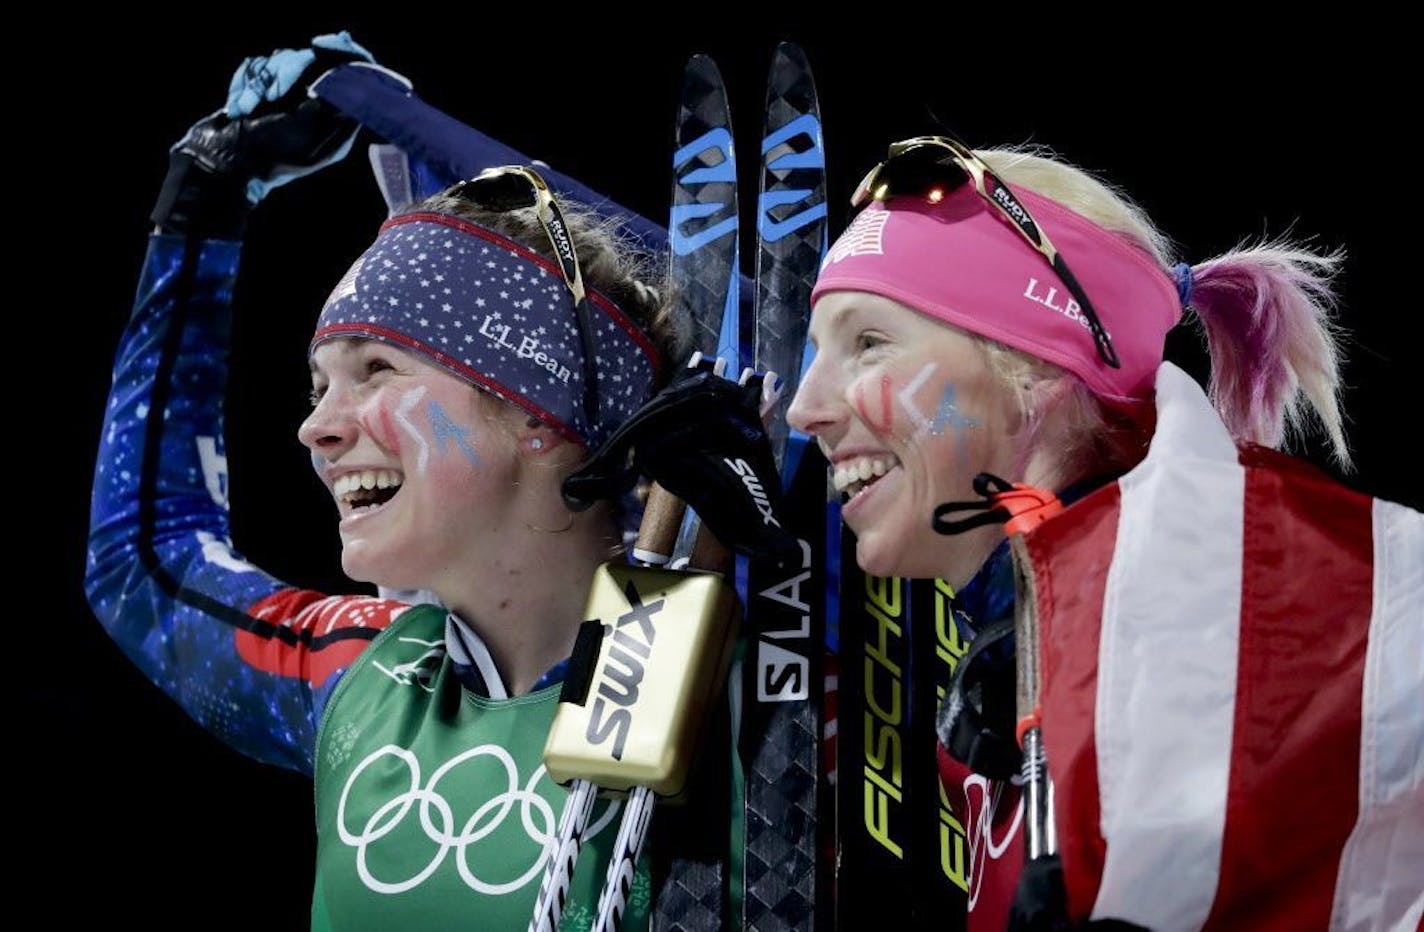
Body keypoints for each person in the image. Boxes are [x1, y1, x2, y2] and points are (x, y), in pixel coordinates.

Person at [85, 32, 790, 930]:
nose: (318, 428)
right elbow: (141, 561)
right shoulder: (361, 673)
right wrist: (198, 218)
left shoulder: (770, 674)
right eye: (318, 385)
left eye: (378, 370)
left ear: (541, 414)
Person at [787, 134, 1423, 930]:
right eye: (819, 353)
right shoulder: (1018, 671)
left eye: (869, 343)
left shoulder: (1253, 610)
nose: (804, 408)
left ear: (1037, 373)